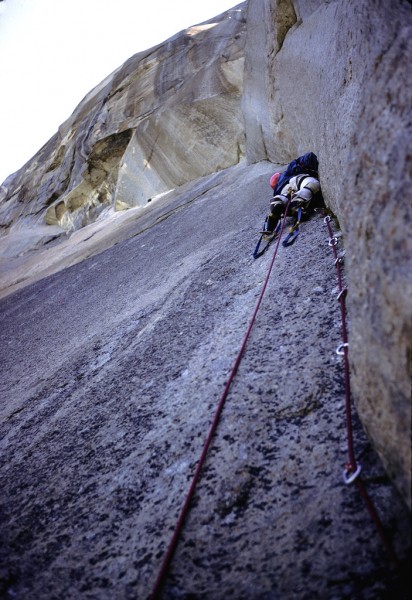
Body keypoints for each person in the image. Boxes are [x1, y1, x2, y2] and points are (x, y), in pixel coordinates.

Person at [262, 153, 321, 234]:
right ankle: (297, 202)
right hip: (298, 179)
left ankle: (276, 204)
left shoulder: (277, 190)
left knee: (282, 197)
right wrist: (312, 167)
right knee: (312, 184)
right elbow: (307, 157)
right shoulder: (288, 172)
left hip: (284, 190)